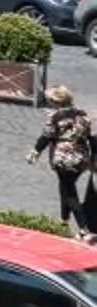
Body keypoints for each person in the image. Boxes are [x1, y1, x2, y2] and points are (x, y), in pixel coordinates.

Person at [32, 84, 95, 237]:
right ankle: (64, 220)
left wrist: (35, 151)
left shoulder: (55, 117)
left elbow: (46, 136)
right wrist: (94, 157)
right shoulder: (82, 115)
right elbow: (91, 138)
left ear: (57, 102)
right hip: (81, 159)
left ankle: (83, 228)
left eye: (50, 101)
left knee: (70, 193)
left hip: (64, 159)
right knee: (65, 187)